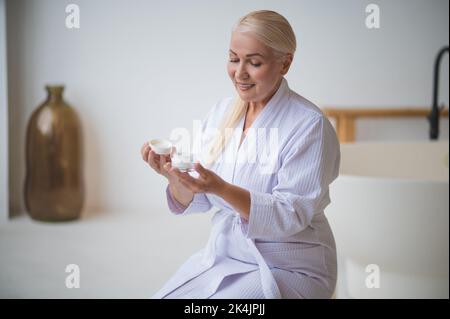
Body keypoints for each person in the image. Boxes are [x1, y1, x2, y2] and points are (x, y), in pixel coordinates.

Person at [141, 10, 340, 299]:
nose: (240, 72)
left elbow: (289, 214)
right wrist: (174, 177)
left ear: (285, 63)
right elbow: (202, 198)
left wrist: (220, 187)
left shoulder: (310, 126)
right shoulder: (223, 112)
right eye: (234, 59)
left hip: (290, 267)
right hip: (226, 257)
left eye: (254, 62)